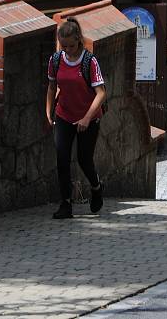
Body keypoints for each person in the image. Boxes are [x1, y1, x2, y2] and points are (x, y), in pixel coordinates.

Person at [45, 18, 107, 219]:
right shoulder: (55, 60)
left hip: (88, 117)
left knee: (84, 159)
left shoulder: (89, 61)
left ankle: (96, 187)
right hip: (64, 115)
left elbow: (101, 93)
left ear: (79, 40)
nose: (68, 50)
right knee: (62, 159)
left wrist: (87, 118)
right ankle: (66, 204)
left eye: (71, 45)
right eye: (64, 46)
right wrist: (48, 110)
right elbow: (52, 86)